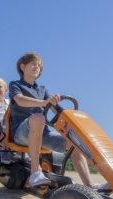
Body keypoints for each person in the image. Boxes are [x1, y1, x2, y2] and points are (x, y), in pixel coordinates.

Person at [8, 52, 93, 189]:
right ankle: (35, 173)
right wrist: (44, 102)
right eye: (33, 64)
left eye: (39, 66)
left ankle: (89, 186)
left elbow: (56, 110)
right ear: (22, 67)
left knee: (74, 142)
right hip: (21, 133)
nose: (37, 67)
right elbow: (19, 100)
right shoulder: (15, 85)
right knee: (38, 118)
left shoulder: (42, 89)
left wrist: (56, 105)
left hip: (44, 133)